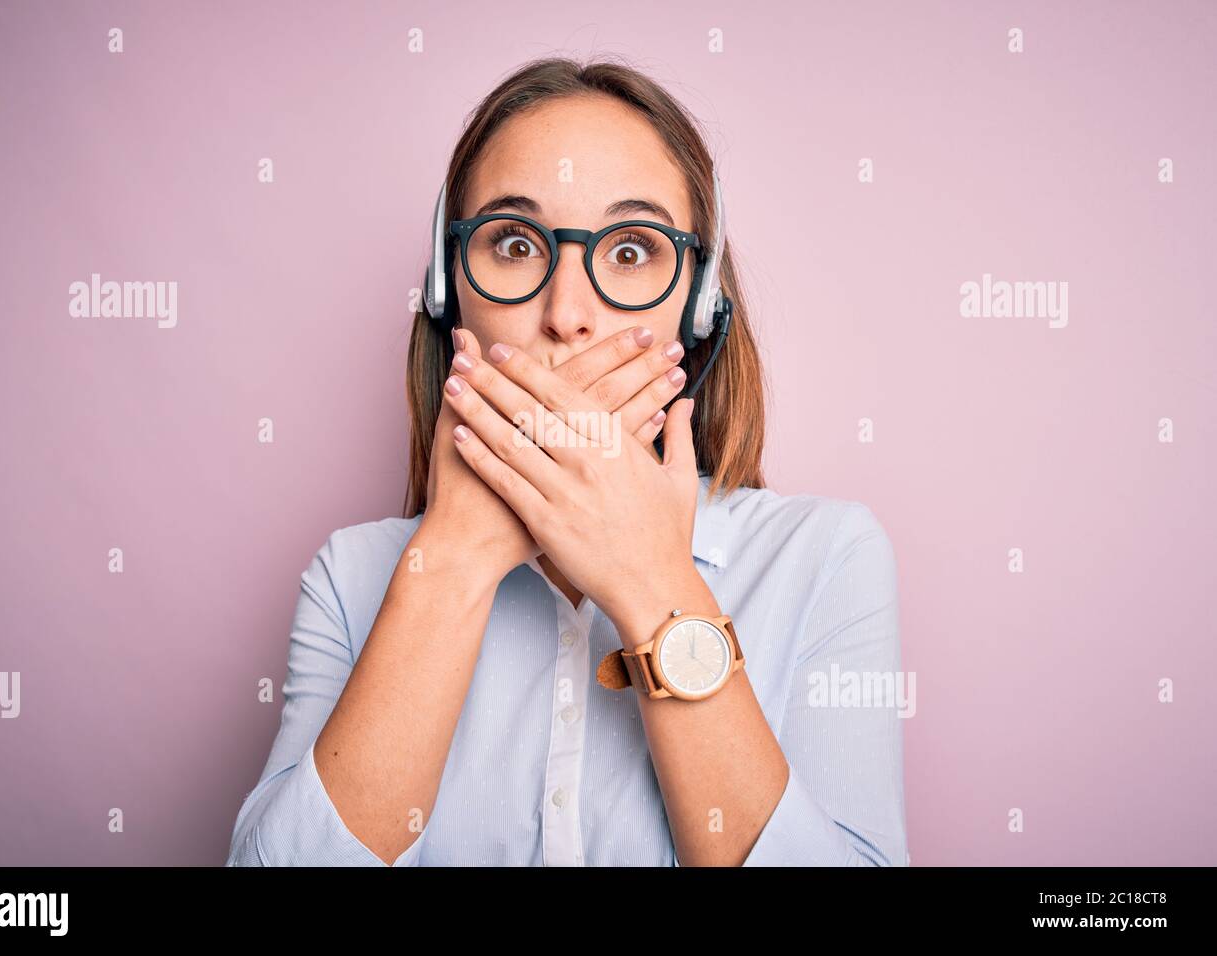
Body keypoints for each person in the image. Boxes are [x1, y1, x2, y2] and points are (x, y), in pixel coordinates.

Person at [227, 56, 907, 867]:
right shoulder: (353, 576)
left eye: (630, 251)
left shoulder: (826, 557)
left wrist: (653, 581)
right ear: (448, 296)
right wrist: (455, 559)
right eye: (515, 244)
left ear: (697, 306)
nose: (568, 316)